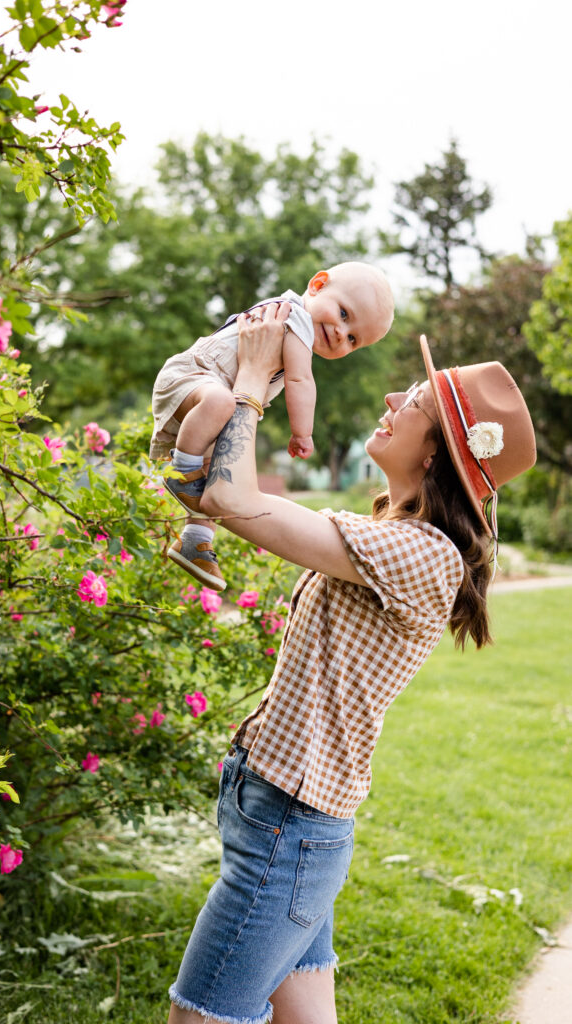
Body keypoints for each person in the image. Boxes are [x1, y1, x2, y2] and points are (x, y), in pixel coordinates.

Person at [167, 302, 537, 1024]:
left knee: (199, 1019)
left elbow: (228, 498)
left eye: (416, 400)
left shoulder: (421, 554)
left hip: (289, 823)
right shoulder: (390, 534)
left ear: (436, 455)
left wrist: (248, 378)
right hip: (285, 815)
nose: (392, 398)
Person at [150, 262, 394, 592]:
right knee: (222, 405)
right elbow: (299, 380)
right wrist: (302, 432)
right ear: (317, 285)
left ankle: (196, 541)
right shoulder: (295, 317)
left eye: (352, 339)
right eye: (344, 314)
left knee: (219, 474)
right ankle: (181, 473)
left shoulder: (300, 329)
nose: (340, 333)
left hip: (210, 403)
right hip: (193, 377)